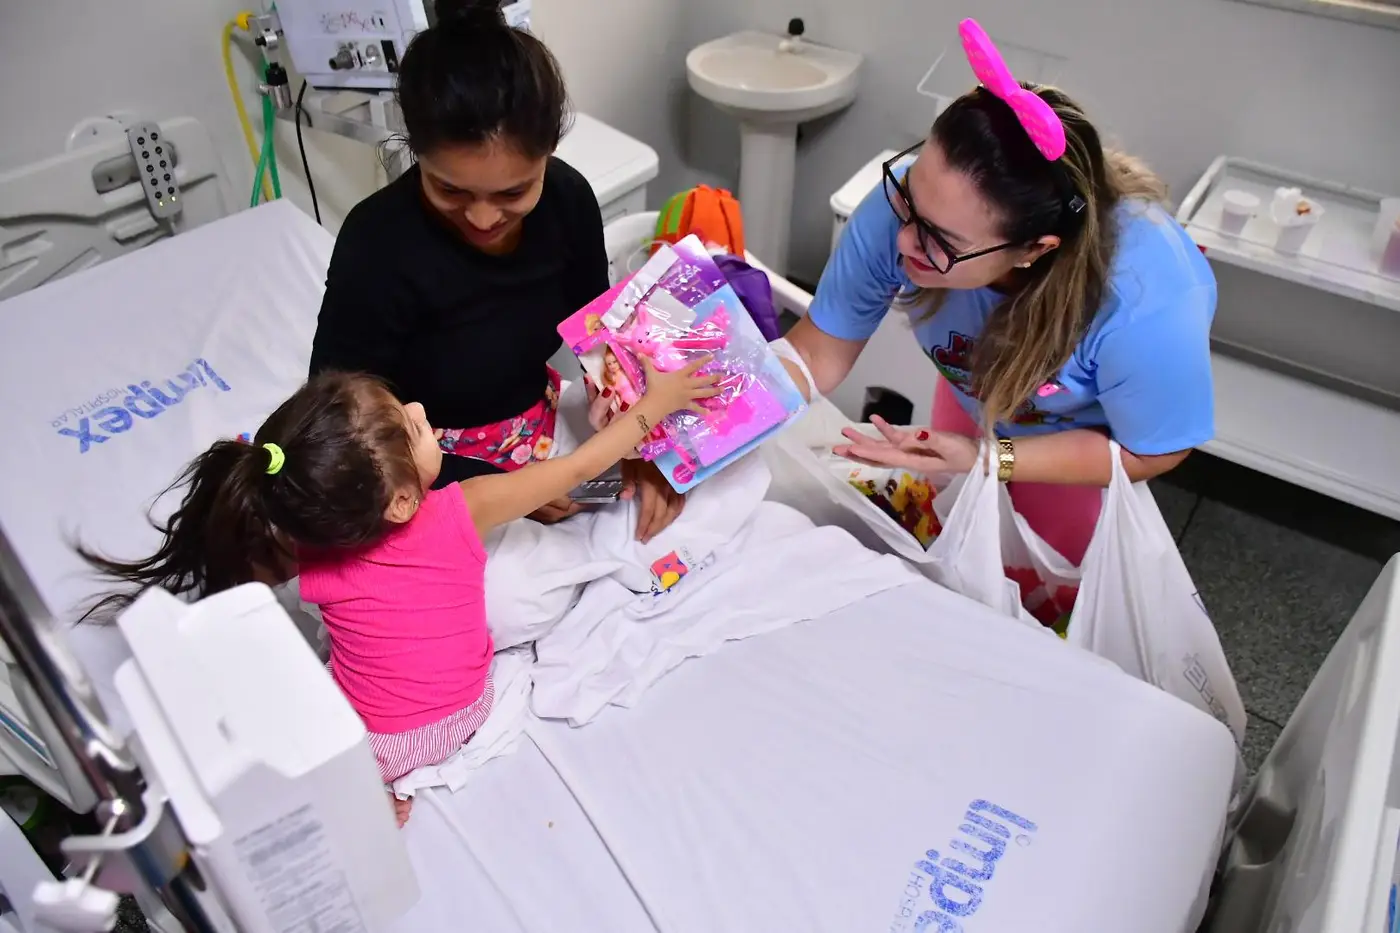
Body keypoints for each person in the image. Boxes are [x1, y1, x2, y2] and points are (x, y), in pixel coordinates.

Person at [79, 358, 718, 826]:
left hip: (372, 748)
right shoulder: (466, 506)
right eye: (413, 428)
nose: (419, 412)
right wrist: (657, 403)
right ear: (404, 501)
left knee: (300, 689)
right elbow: (580, 467)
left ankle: (366, 798)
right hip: (465, 712)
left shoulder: (309, 539)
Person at [767, 23, 1215, 566]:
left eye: (940, 241)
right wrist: (712, 416)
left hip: (1076, 453)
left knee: (1041, 578)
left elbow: (1153, 451)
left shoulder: (1148, 308)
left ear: (1034, 249)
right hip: (972, 396)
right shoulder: (908, 209)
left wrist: (989, 457)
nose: (904, 240)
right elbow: (816, 354)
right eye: (908, 203)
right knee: (954, 540)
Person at [307, 0, 685, 543]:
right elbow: (341, 418)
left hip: (539, 433)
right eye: (450, 190)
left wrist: (640, 441)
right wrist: (497, 488)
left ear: (548, 154)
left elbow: (600, 338)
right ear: (415, 151)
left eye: (513, 193)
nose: (483, 219)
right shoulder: (377, 245)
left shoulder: (568, 202)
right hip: (422, 464)